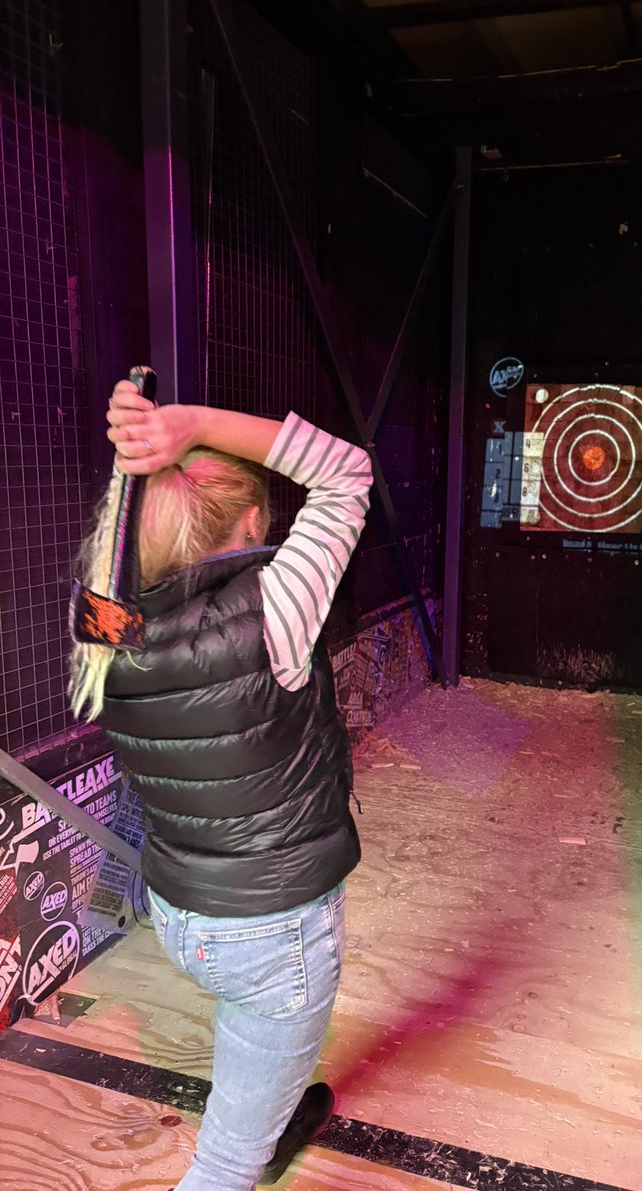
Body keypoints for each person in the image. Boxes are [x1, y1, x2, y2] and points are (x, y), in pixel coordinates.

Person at [69, 378, 373, 1191]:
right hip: (271, 932)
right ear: (248, 527)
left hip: (180, 913)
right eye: (263, 521)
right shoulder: (275, 609)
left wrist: (137, 453)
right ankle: (250, 1142)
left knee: (252, 1036)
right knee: (223, 1168)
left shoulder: (105, 623)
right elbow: (345, 473)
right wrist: (194, 425)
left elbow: (115, 544)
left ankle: (266, 1117)